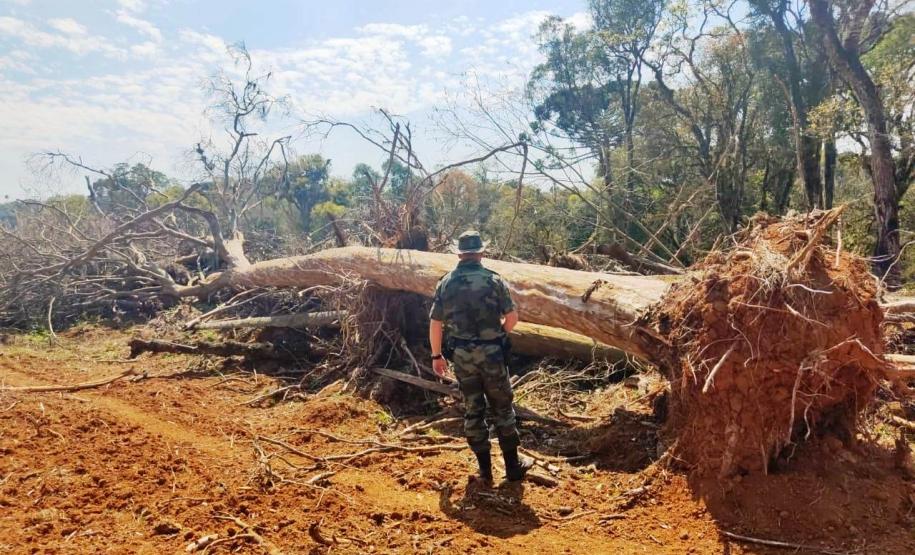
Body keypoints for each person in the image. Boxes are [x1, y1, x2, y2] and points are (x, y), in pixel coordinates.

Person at [428, 230, 532, 484]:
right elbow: (512, 318)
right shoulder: (494, 280)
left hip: (463, 357)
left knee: (473, 410)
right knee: (502, 408)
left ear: (459, 254)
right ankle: (512, 467)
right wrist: (498, 335)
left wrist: (437, 356)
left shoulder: (446, 283)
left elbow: (435, 323)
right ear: (481, 253)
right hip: (493, 354)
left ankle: (485, 472)